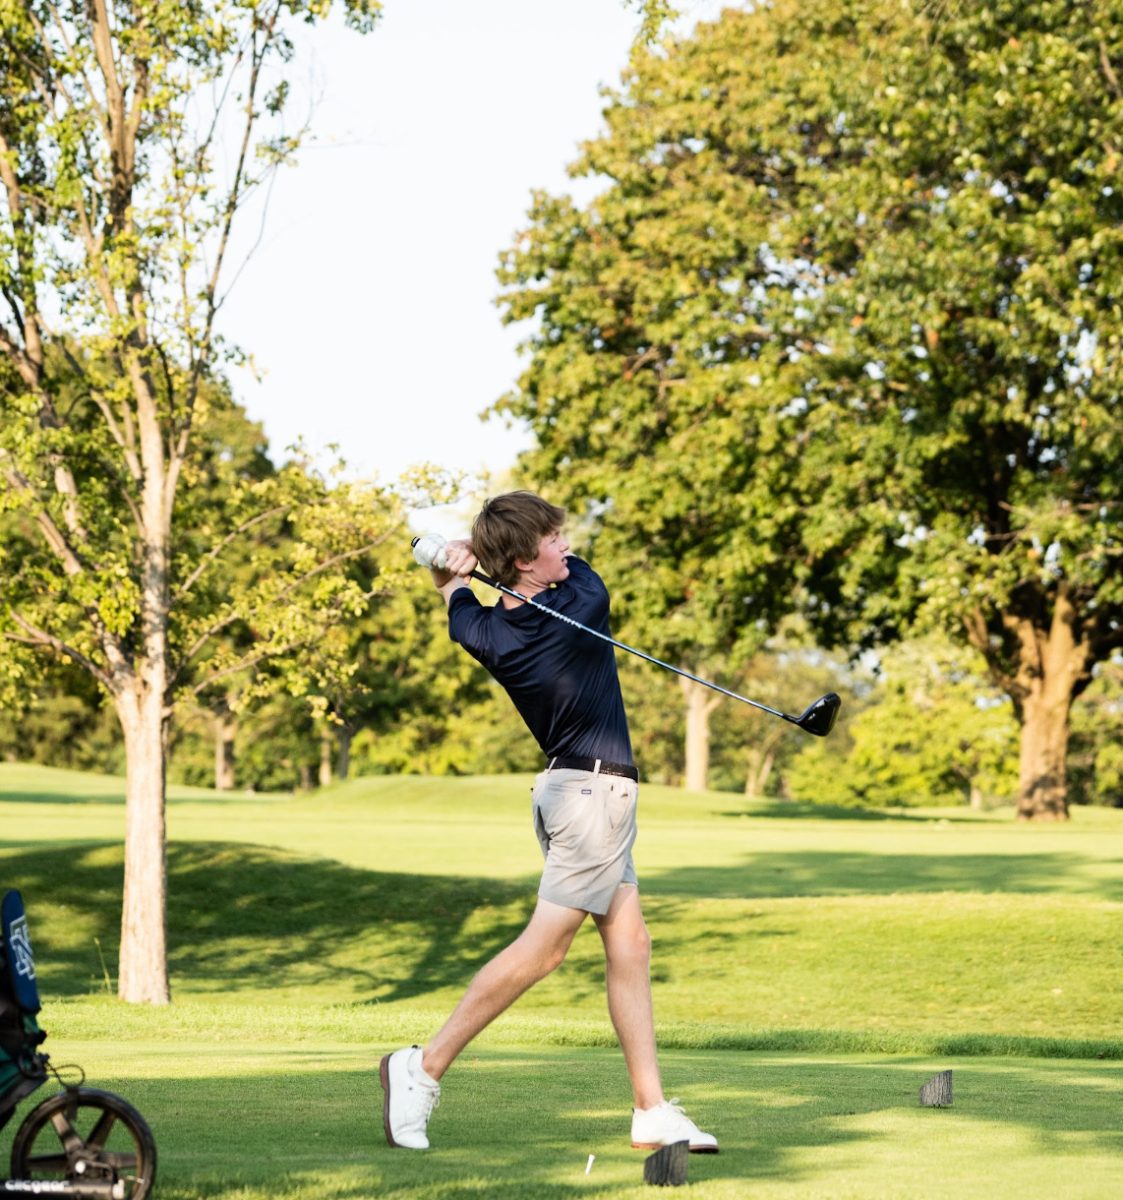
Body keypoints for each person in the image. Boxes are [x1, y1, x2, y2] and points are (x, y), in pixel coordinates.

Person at [380, 491, 717, 1155]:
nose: (566, 545)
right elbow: (578, 574)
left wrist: (450, 566)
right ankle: (420, 1068)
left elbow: (454, 597)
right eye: (554, 538)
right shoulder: (581, 603)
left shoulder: (487, 634)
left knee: (630, 944)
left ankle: (650, 1109)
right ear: (524, 560)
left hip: (576, 793)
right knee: (545, 951)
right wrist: (472, 559)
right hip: (591, 798)